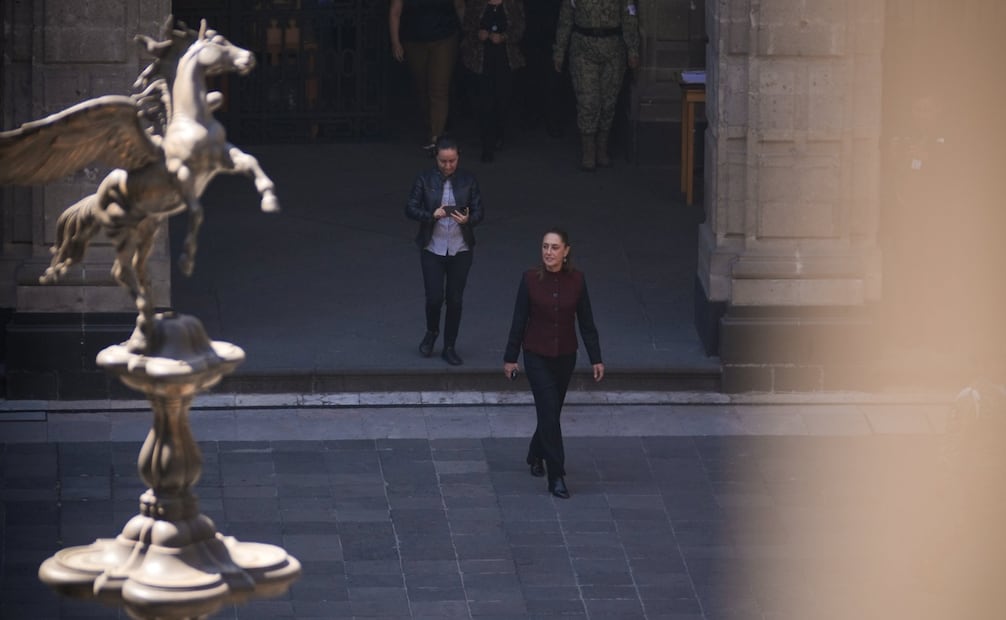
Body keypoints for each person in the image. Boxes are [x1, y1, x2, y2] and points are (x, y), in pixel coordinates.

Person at [503, 228, 604, 498]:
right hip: (536, 355)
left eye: (554, 247)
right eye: (545, 246)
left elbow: (586, 322)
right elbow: (518, 320)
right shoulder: (529, 280)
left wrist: (596, 357)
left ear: (566, 251)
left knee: (552, 412)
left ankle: (536, 452)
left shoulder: (577, 281)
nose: (549, 252)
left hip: (565, 356)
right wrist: (510, 358)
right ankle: (556, 474)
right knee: (548, 412)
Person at [405, 135, 484, 365]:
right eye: (443, 161)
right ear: (436, 159)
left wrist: (468, 219)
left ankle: (450, 345)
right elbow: (409, 207)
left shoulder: (469, 180)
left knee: (455, 300)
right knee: (434, 298)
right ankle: (432, 332)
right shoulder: (425, 178)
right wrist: (431, 215)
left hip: (460, 248)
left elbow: (480, 211)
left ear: (458, 157)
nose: (448, 166)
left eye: (452, 161)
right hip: (433, 247)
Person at [553, 0, 640, 171]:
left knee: (608, 101)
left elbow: (629, 15)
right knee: (587, 100)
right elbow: (565, 18)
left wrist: (633, 50)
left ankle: (602, 147)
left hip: (613, 49)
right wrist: (559, 51)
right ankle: (588, 150)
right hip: (583, 48)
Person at [389, 0, 466, 152]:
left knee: (438, 88)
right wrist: (395, 42)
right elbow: (395, 11)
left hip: (444, 37)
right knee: (423, 87)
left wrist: (468, 33)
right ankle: (432, 126)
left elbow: (460, 6)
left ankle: (436, 137)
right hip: (414, 40)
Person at [460, 0, 526, 162]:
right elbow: (467, 24)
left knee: (502, 101)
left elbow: (520, 27)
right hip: (481, 61)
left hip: (505, 61)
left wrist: (504, 37)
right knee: (485, 104)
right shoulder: (476, 4)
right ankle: (487, 146)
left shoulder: (513, 4)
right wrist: (478, 33)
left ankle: (499, 133)